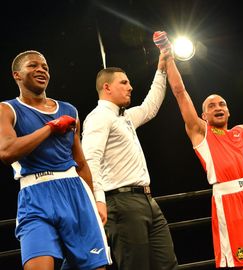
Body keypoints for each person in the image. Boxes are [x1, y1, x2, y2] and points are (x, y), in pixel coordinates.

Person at [159, 32, 243, 269]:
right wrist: (168, 57)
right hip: (230, 202)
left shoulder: (241, 131)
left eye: (222, 104)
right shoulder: (202, 132)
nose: (218, 107)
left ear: (229, 112)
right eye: (212, 105)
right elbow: (180, 93)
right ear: (204, 115)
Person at [0, 50, 111, 270]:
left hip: (76, 194)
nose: (41, 69)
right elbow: (6, 151)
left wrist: (96, 199)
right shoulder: (7, 109)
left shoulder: (69, 110)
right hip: (35, 198)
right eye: (33, 66)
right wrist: (50, 128)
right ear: (17, 75)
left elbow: (80, 163)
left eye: (45, 67)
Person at [81, 50, 179, 270]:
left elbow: (150, 108)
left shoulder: (124, 117)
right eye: (124, 83)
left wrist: (161, 70)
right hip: (120, 202)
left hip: (146, 200)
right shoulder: (99, 117)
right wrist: (98, 200)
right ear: (107, 87)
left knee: (168, 264)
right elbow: (89, 160)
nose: (130, 87)